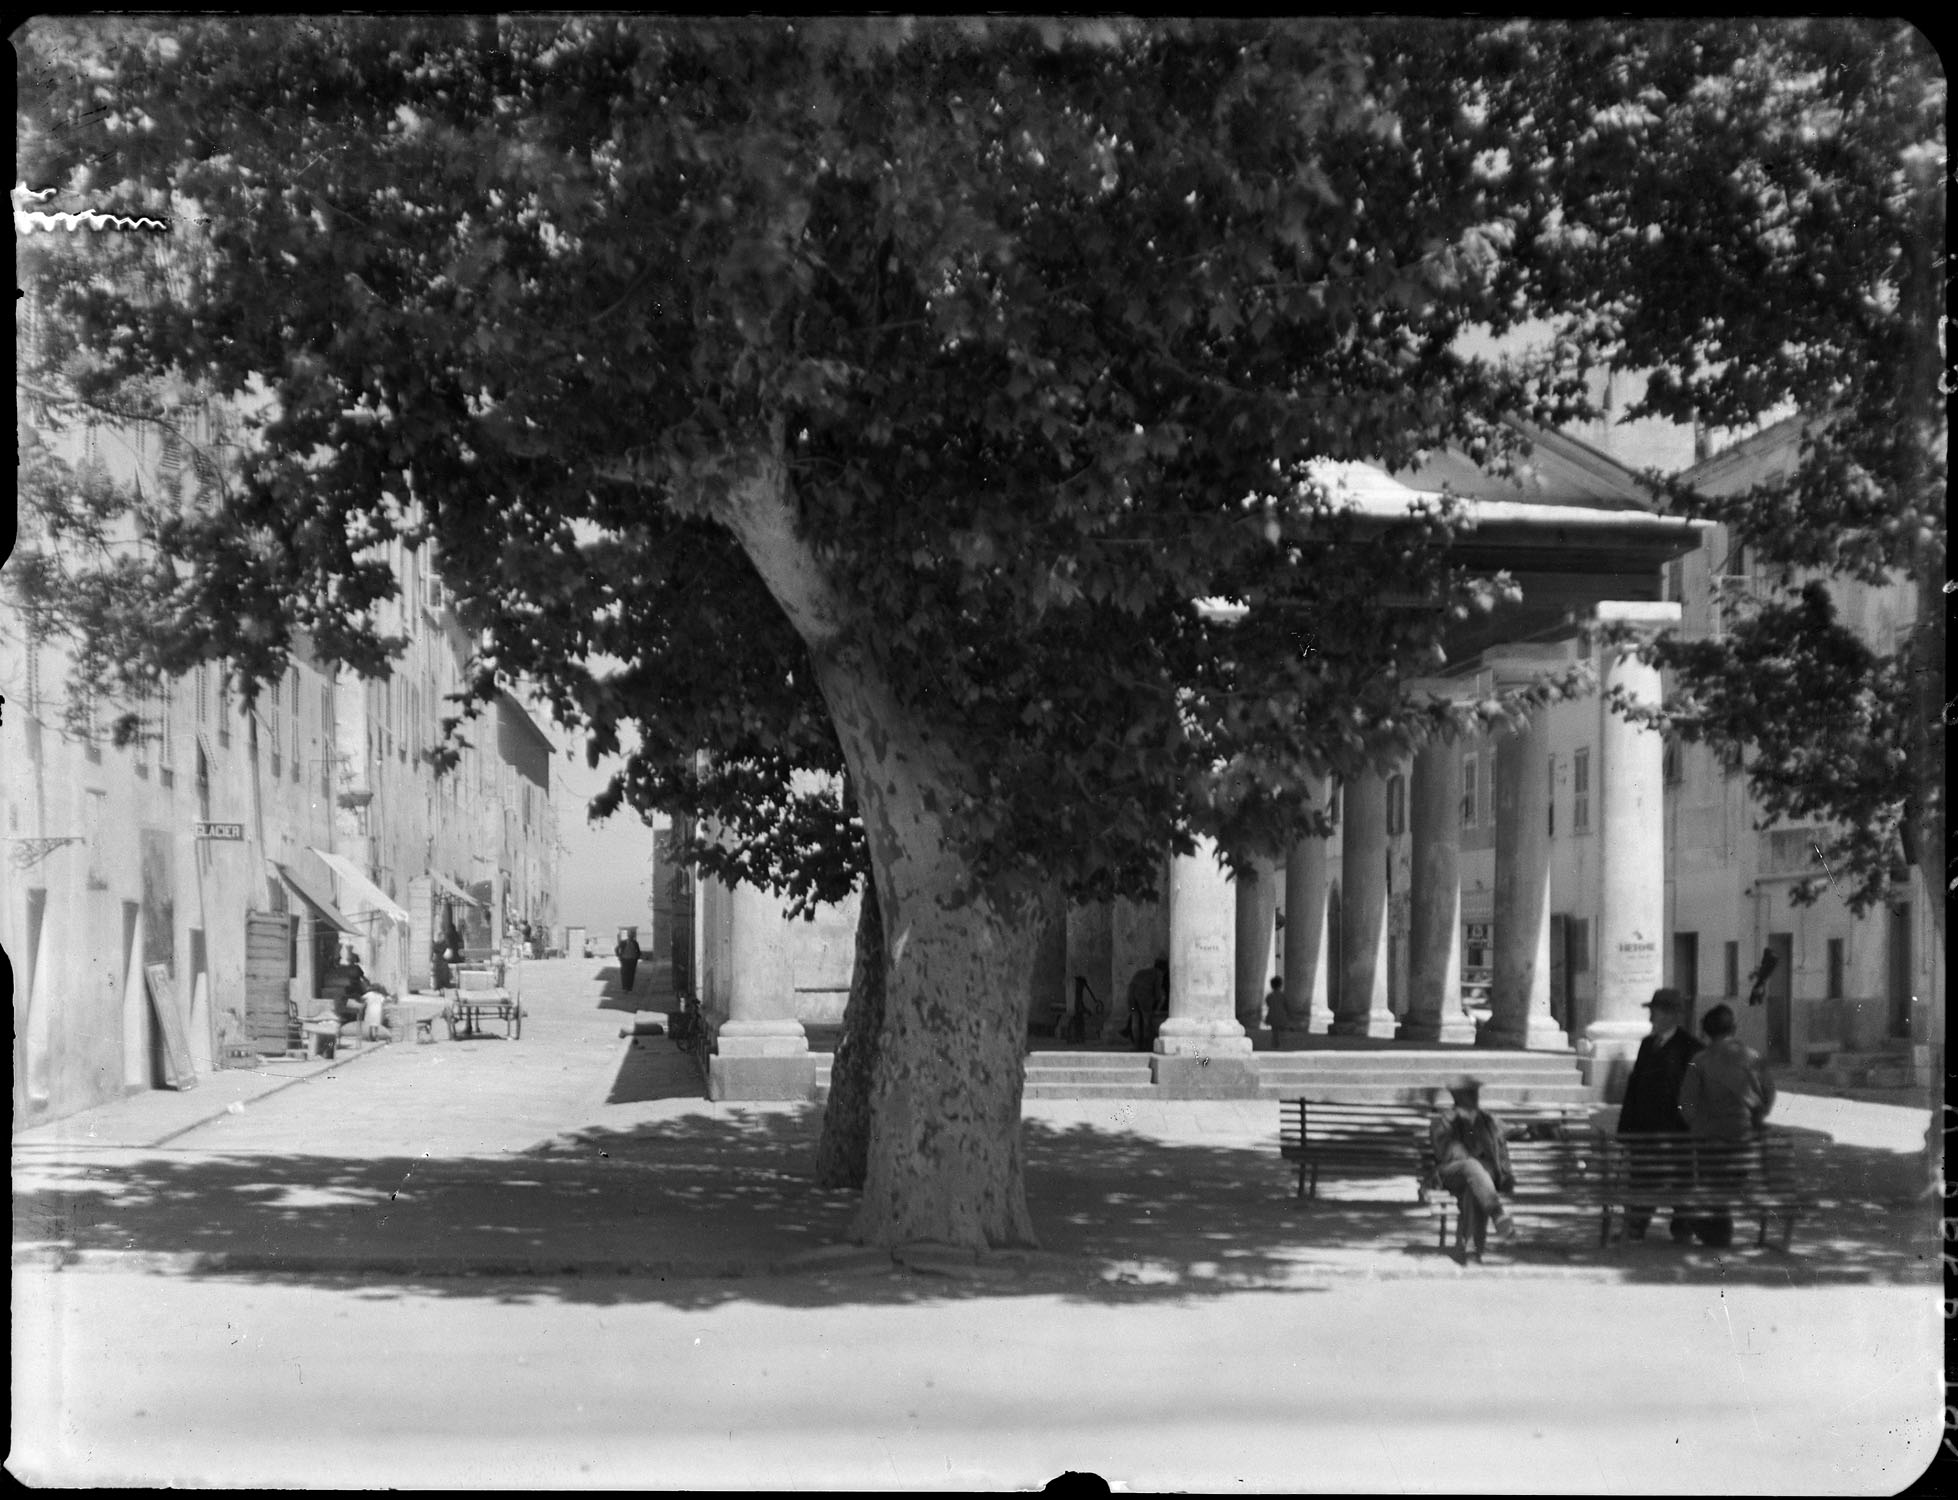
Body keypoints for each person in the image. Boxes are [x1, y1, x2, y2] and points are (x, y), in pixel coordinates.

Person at [1679, 1002, 1777, 1247]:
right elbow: (1769, 1094)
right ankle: (1717, 1231)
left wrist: (1699, 1125)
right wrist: (1756, 1118)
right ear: (1734, 1028)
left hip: (1709, 1143)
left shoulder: (1699, 1061)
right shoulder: (1754, 1058)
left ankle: (1716, 1232)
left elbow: (1686, 1103)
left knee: (1713, 1185)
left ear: (1705, 1032)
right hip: (1744, 1142)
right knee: (1724, 1186)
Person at [1615, 987, 1705, 1242]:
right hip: (1644, 1131)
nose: (1651, 1017)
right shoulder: (1647, 1044)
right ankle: (1635, 1226)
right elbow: (1634, 1088)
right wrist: (1626, 1130)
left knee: (1680, 1181)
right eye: (1652, 1011)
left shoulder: (1691, 1048)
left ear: (1672, 1015)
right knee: (1640, 1180)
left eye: (1655, 1012)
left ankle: (1683, 1227)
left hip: (1676, 1133)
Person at [1430, 1076, 1517, 1251]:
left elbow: (1514, 1131)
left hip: (1482, 1178)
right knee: (1472, 1166)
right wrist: (1471, 1158)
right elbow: (1445, 1152)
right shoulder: (1444, 1120)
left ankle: (1472, 1249)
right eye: (1469, 1093)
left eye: (1475, 1093)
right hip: (1453, 1173)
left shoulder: (1487, 1119)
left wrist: (1542, 1130)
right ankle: (1497, 1214)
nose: (1474, 1097)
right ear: (1457, 1096)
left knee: (1475, 1186)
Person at [1122, 957, 1169, 1052]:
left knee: (1135, 1019)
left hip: (1131, 995)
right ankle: (1145, 1046)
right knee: (1146, 1020)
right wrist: (1158, 1007)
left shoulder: (1142, 972)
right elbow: (1157, 992)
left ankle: (1137, 1046)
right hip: (1143, 996)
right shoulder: (1158, 973)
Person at [615, 928, 641, 993]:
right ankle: (625, 988)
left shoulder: (635, 943)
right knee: (625, 974)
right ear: (628, 936)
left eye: (632, 935)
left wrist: (637, 957)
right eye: (630, 935)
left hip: (633, 960)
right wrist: (619, 956)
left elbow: (638, 951)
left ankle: (629, 988)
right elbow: (616, 949)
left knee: (631, 974)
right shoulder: (623, 942)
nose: (631, 937)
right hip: (625, 960)